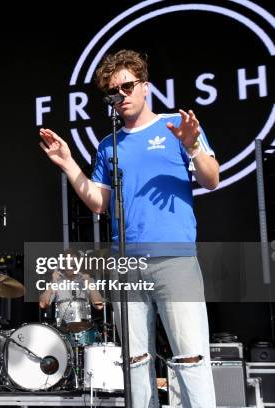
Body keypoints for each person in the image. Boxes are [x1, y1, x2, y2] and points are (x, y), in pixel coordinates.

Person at [39, 49, 219, 407]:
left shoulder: (175, 127)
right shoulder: (109, 146)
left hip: (174, 259)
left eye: (127, 86)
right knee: (134, 362)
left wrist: (193, 145)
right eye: (112, 91)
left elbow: (211, 179)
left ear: (145, 86)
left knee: (189, 357)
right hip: (127, 264)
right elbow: (98, 203)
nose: (120, 95)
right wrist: (69, 163)